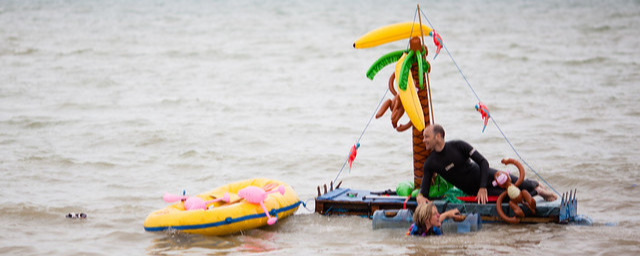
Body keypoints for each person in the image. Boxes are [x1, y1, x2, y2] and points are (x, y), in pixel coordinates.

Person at [416, 124, 558, 205]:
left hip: (487, 175)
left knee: (519, 183)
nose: (424, 140)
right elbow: (424, 189)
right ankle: (537, 192)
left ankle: (535, 185)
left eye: (426, 136)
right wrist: (420, 196)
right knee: (508, 196)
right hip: (474, 191)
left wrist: (483, 187)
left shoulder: (458, 146)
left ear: (438, 136)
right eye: (423, 137)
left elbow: (483, 162)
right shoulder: (430, 163)